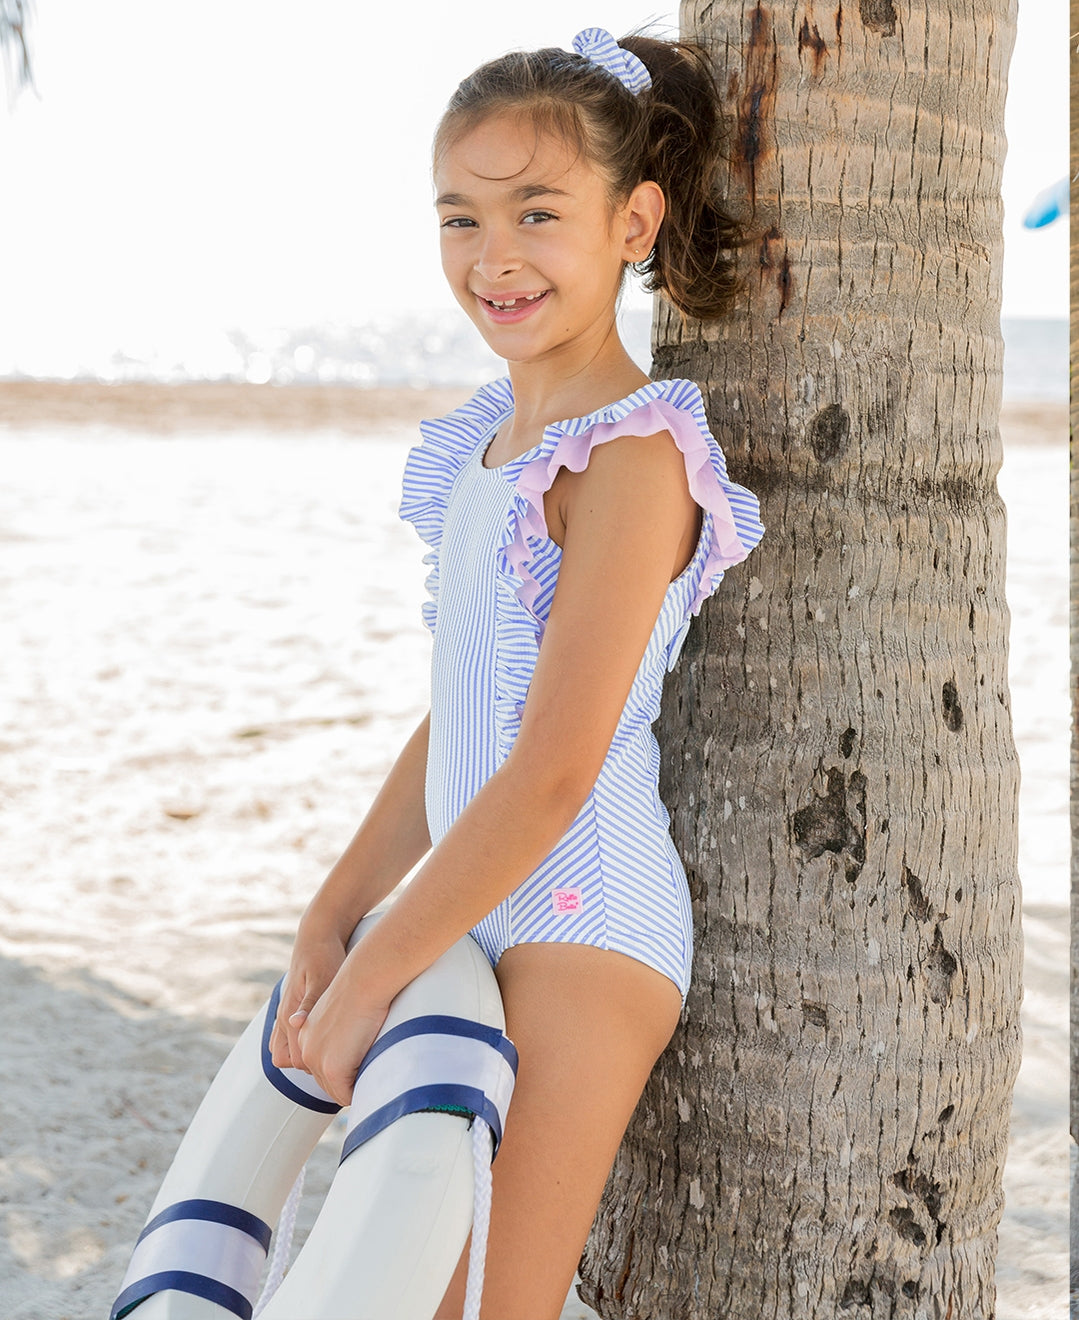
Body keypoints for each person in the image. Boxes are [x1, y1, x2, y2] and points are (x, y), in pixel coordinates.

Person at [268, 26, 765, 1320]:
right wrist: (335, 913)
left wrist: (378, 969)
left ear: (633, 221)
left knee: (483, 1305)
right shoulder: (494, 440)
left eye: (538, 212)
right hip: (461, 912)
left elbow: (550, 772)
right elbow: (467, 712)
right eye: (460, 217)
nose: (493, 255)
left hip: (579, 928)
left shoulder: (636, 455)